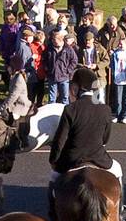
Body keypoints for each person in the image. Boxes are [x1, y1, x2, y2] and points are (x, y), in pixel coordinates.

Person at [48, 67, 117, 213]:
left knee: (54, 176)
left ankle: (53, 210)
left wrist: (54, 161)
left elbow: (60, 141)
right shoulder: (105, 109)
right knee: (118, 170)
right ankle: (120, 208)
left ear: (76, 88)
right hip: (99, 158)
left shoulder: (70, 109)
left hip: (73, 158)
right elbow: (106, 138)